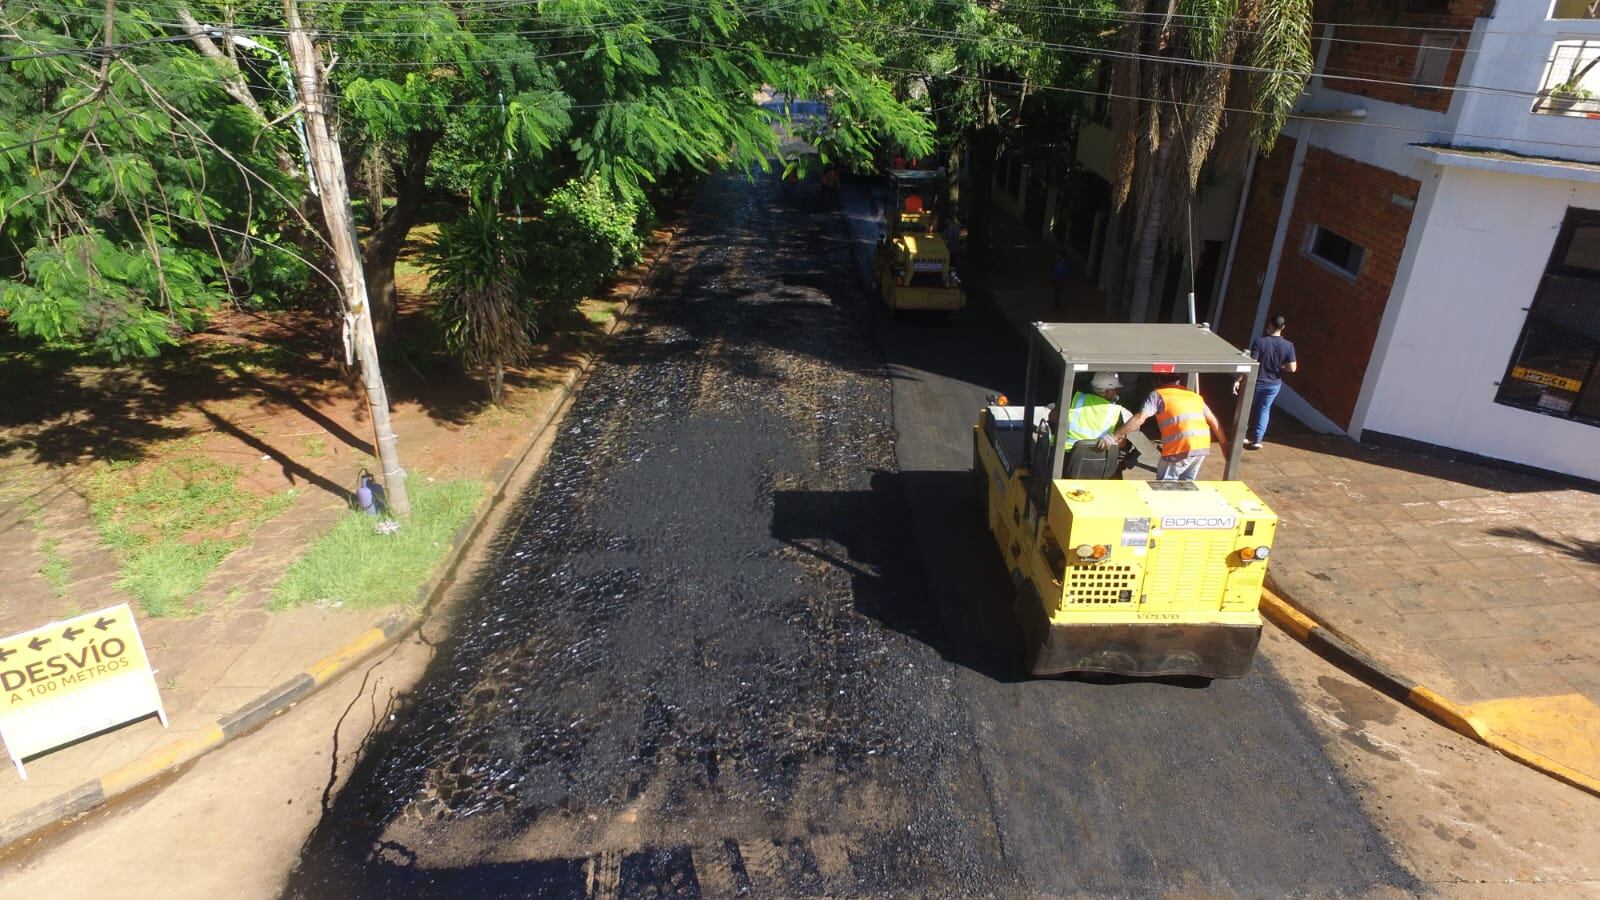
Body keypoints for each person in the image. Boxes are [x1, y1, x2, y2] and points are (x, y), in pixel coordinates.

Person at [1101, 372, 1227, 481]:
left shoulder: (1158, 394)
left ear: (1157, 380)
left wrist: (1114, 435)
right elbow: (1214, 422)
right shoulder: (1193, 395)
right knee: (1186, 484)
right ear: (1177, 379)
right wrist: (1224, 446)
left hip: (1180, 446)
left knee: (1165, 485)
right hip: (1201, 445)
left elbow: (1140, 418)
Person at [1234, 314, 1298, 450]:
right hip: (1274, 384)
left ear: (1270, 325)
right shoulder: (1289, 346)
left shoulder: (1260, 342)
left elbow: (1252, 364)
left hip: (1256, 381)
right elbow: (1292, 368)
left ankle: (1242, 435)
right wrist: (1281, 366)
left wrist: (1239, 379)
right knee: (1264, 409)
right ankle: (1257, 439)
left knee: (1248, 408)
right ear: (1283, 327)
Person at [1053, 372, 1131, 444]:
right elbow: (1122, 443)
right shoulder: (1114, 411)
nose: (1117, 392)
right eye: (1116, 389)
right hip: (1096, 457)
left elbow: (1052, 417)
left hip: (1064, 451)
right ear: (1107, 391)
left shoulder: (1076, 399)